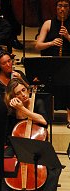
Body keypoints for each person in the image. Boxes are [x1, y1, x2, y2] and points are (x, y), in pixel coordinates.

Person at [0, 78, 61, 191]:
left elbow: (44, 121)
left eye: (24, 90)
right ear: (13, 96)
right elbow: (7, 133)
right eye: (18, 93)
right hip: (16, 145)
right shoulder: (10, 110)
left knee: (55, 168)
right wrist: (13, 110)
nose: (23, 94)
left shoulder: (37, 102)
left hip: (37, 144)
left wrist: (23, 109)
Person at [35, 0, 70, 128]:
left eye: (65, 6)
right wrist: (51, 43)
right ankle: (46, 115)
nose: (62, 9)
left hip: (67, 64)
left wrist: (67, 36)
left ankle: (69, 118)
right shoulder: (48, 24)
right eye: (60, 6)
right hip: (51, 64)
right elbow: (38, 45)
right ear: (56, 8)